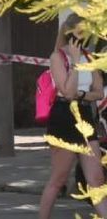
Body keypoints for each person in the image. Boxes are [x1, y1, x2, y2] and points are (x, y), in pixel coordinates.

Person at [39, 14, 107, 219]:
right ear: (70, 32)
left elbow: (98, 92)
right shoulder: (57, 57)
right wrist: (76, 63)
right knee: (58, 179)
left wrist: (82, 94)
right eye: (81, 32)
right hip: (64, 117)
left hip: (84, 115)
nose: (84, 37)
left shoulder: (89, 57)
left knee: (96, 179)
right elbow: (67, 92)